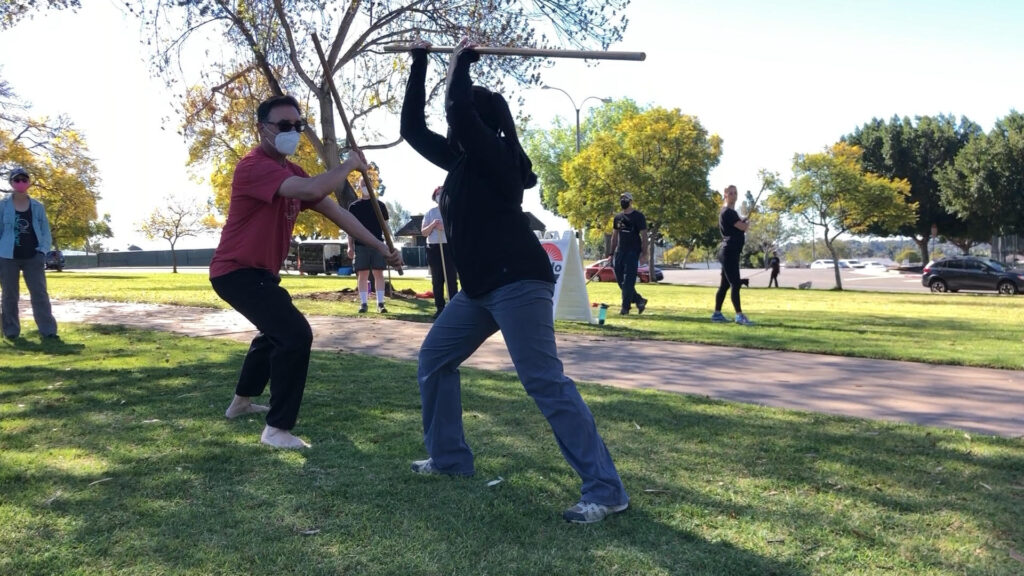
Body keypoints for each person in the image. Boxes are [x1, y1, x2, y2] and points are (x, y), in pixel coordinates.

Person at [400, 39, 628, 524]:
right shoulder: (461, 162)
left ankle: (606, 490)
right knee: (435, 359)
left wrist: (459, 65)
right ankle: (449, 460)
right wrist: (420, 64)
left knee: (543, 381)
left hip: (519, 283)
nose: (449, 127)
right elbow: (411, 129)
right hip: (479, 289)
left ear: (480, 124)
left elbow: (460, 112)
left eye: (458, 121)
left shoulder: (497, 158)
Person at [209, 95, 402, 449]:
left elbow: (340, 213)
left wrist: (378, 246)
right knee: (295, 335)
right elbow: (315, 188)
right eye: (284, 126)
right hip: (235, 271)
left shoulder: (292, 171)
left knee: (272, 334)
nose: (293, 132)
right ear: (262, 129)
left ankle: (240, 404)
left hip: (261, 274)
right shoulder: (252, 167)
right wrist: (348, 165)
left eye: (298, 126)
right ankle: (277, 430)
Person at [1, 167, 59, 341]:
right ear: (11, 183)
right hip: (7, 257)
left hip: (33, 256)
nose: (20, 183)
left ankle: (48, 331)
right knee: (10, 295)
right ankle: (11, 331)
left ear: (29, 183)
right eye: (16, 180)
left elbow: (45, 231)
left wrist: (42, 251)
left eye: (24, 180)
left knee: (40, 293)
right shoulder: (3, 205)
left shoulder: (37, 206)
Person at [346, 180, 391, 313]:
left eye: (368, 185)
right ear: (359, 187)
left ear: (372, 186)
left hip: (378, 244)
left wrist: (389, 244)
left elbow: (386, 227)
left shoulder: (380, 205)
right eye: (363, 185)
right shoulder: (354, 206)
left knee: (379, 273)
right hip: (360, 245)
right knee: (362, 274)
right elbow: (350, 228)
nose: (366, 187)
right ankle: (364, 303)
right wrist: (350, 246)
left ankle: (380, 303)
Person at [711, 185, 753, 325]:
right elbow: (743, 227)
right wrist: (746, 223)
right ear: (725, 195)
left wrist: (743, 222)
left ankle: (717, 314)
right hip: (729, 252)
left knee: (725, 285)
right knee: (735, 283)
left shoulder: (730, 213)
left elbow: (740, 225)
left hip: (730, 251)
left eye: (735, 193)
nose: (733, 195)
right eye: (730, 193)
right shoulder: (728, 212)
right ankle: (739, 315)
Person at [608, 192, 649, 315]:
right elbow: (614, 236)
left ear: (631, 201)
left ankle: (625, 308)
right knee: (620, 280)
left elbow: (644, 236)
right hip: (620, 252)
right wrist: (611, 253)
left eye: (625, 199)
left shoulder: (638, 216)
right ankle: (639, 300)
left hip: (633, 252)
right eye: (621, 199)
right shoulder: (618, 217)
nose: (622, 201)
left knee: (628, 281)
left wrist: (644, 253)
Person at [421, 185, 458, 319]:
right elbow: (424, 232)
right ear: (434, 196)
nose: (440, 195)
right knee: (437, 280)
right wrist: (433, 225)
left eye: (442, 193)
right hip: (434, 248)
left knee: (451, 279)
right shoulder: (430, 213)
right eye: (438, 193)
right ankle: (440, 308)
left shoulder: (451, 211)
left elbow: (458, 230)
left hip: (448, 248)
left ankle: (454, 308)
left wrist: (445, 227)